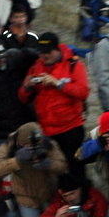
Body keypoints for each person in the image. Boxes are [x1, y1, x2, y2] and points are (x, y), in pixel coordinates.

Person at [17, 33, 90, 181]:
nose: (45, 56)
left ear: (57, 49)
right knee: (57, 173)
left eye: (48, 52)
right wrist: (27, 87)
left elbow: (83, 92)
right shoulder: (36, 67)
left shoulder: (73, 65)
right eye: (42, 52)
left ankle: (83, 199)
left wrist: (58, 84)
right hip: (48, 131)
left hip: (71, 128)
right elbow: (22, 97)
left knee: (76, 168)